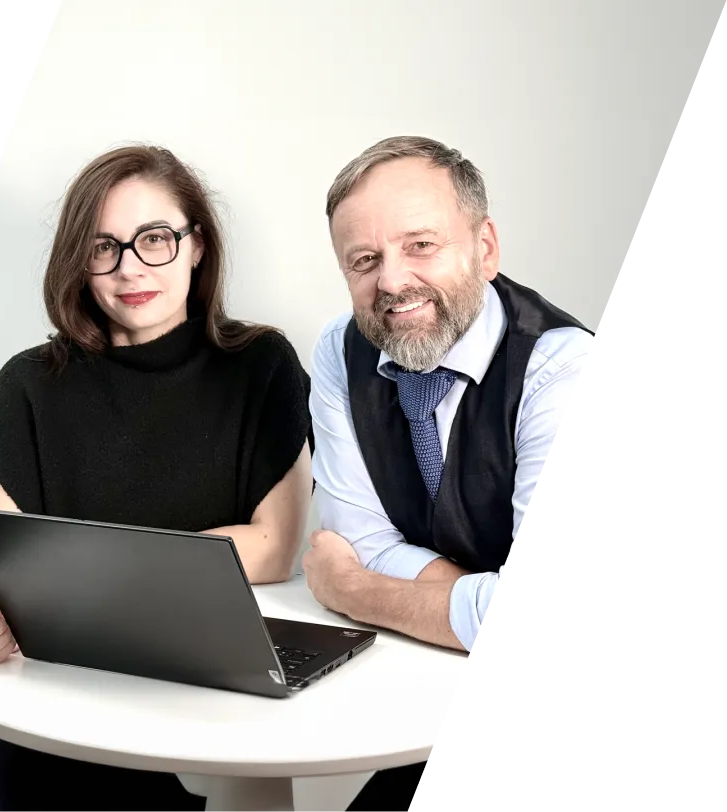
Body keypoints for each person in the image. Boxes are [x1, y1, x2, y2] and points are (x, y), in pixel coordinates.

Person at [0, 144, 314, 812]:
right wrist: (1, 611)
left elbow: (274, 547)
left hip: (216, 689)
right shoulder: (28, 385)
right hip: (63, 699)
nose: (129, 270)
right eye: (102, 248)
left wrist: (81, 578)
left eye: (155, 240)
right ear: (78, 263)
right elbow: (5, 575)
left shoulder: (261, 364)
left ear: (197, 244)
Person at [301, 135, 595, 810]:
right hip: (430, 681)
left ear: (485, 248)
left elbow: (355, 568)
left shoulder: (560, 367)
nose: (393, 280)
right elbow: (360, 538)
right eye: (365, 260)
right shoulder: (337, 351)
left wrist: (355, 591)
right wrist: (468, 602)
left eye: (421, 245)